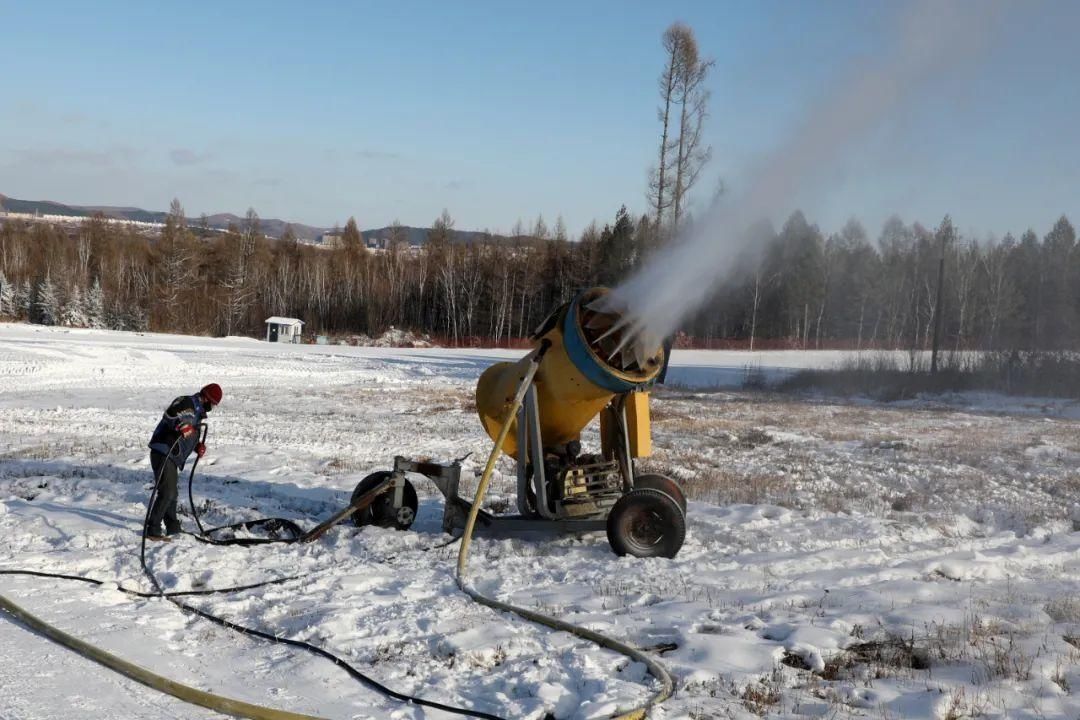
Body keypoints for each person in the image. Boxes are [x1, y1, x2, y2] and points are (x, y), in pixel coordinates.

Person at [145, 383, 223, 540]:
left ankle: (173, 527)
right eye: (212, 404)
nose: (212, 407)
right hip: (163, 451)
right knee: (167, 493)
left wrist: (197, 446)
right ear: (207, 399)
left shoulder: (198, 413)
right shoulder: (186, 402)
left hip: (172, 456)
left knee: (172, 493)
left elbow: (188, 436)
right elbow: (170, 415)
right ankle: (152, 530)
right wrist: (181, 425)